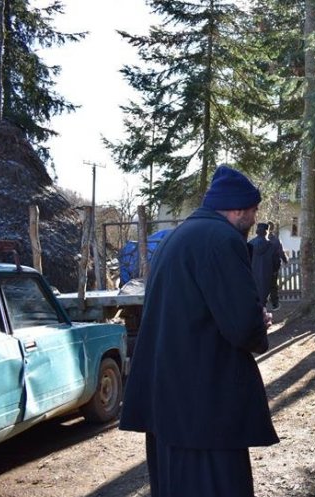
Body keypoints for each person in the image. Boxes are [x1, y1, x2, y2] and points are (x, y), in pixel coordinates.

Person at [120, 165, 279, 497]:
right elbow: (241, 324)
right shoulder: (222, 240)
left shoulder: (177, 237)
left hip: (169, 397)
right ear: (237, 208)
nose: (254, 219)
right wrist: (258, 321)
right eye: (253, 210)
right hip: (204, 405)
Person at [249, 222, 278, 308]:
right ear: (266, 232)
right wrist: (274, 271)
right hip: (267, 275)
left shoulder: (250, 244)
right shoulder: (272, 246)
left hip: (253, 275)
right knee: (264, 298)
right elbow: (276, 262)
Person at [267, 221, 287, 310]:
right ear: (273, 229)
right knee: (273, 285)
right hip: (274, 266)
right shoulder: (276, 240)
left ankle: (262, 304)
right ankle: (275, 304)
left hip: (262, 267)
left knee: (262, 284)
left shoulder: (261, 240)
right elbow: (281, 252)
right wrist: (285, 260)